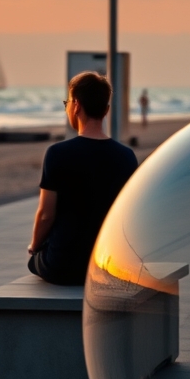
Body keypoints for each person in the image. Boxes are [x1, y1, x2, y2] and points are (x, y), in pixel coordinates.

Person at [27, 72, 138, 285]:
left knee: (35, 260)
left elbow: (45, 215)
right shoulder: (126, 156)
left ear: (76, 105)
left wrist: (34, 246)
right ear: (106, 110)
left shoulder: (57, 153)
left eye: (66, 102)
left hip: (63, 266)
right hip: (108, 264)